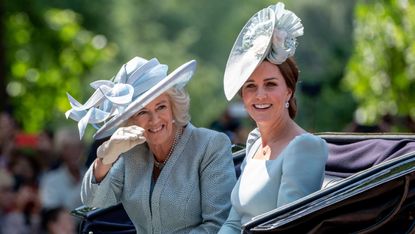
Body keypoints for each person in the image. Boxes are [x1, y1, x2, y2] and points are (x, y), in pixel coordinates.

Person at [65, 56, 236, 233]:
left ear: (173, 107)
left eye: (161, 107)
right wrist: (107, 155)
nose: (154, 120)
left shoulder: (210, 145)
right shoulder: (132, 153)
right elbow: (93, 200)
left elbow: (219, 225)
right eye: (142, 112)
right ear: (131, 120)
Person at [219, 3, 328, 233]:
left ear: (288, 90)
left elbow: (286, 228)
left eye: (270, 84)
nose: (260, 95)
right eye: (250, 86)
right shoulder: (256, 142)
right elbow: (232, 221)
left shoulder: (304, 147)